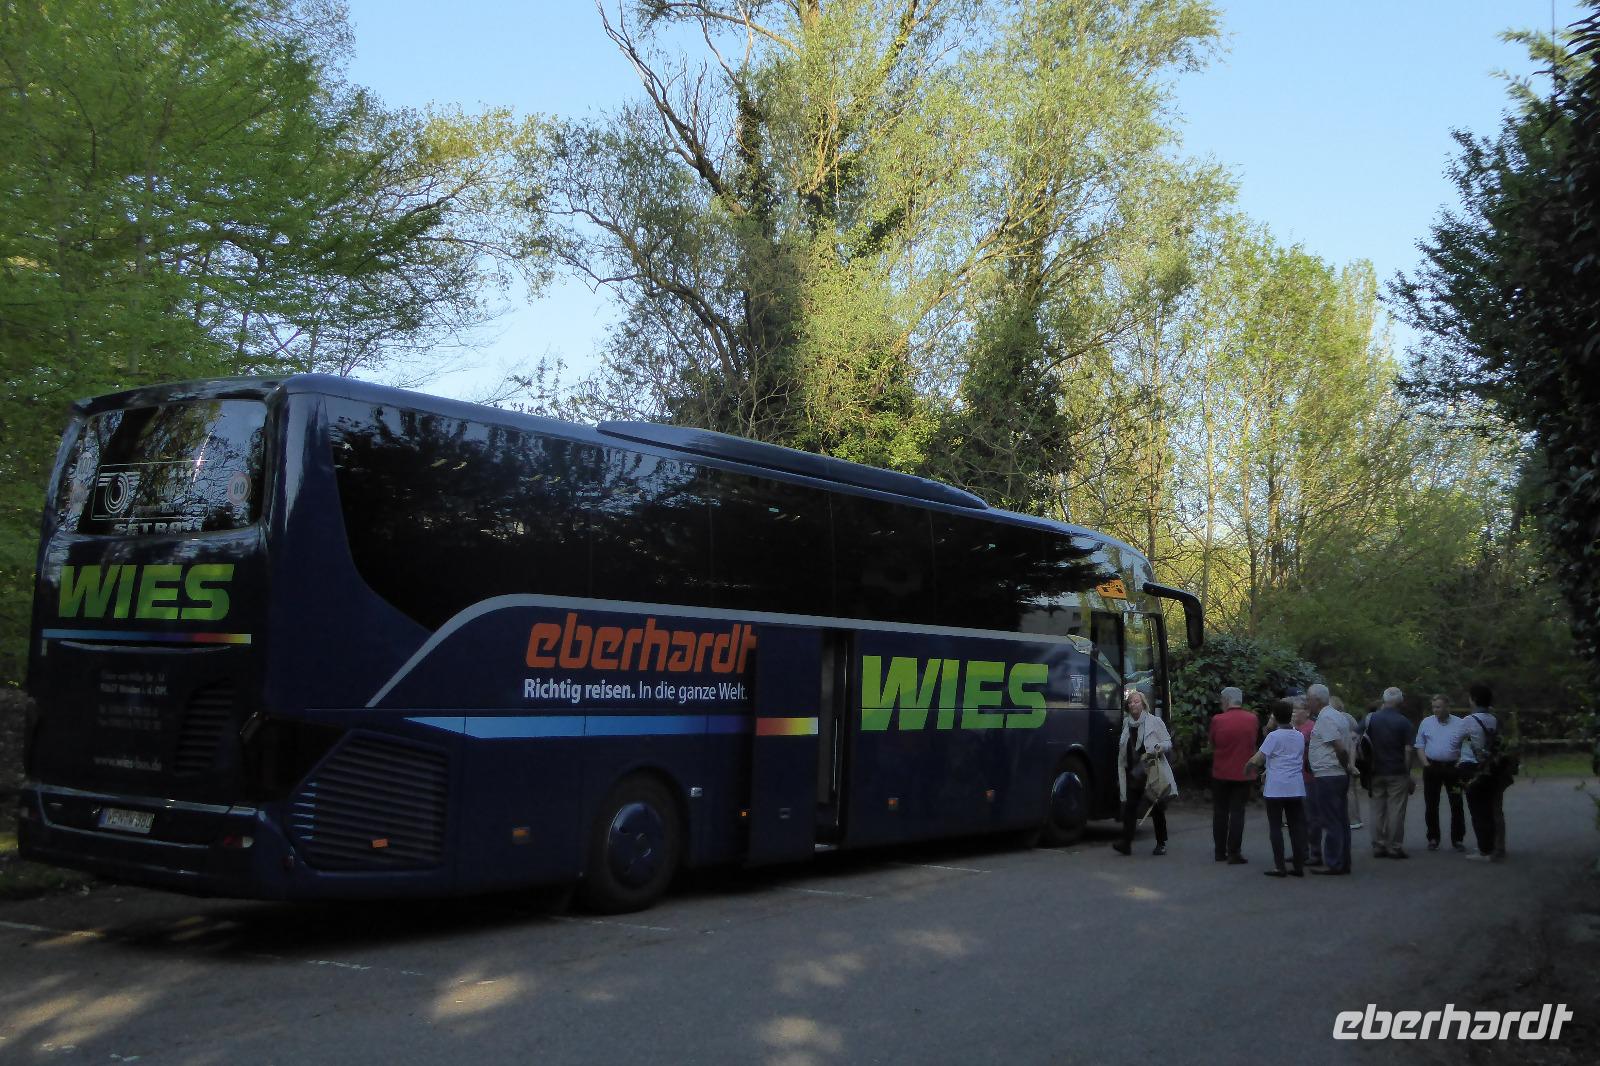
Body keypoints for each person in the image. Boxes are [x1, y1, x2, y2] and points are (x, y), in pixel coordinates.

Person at [1244, 701, 1307, 877]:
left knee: (1275, 826)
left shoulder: (1274, 737)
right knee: (1296, 826)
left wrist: (1247, 767)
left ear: (1275, 716)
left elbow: (1258, 759)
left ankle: (1280, 866)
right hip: (1295, 785)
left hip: (1276, 787)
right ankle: (1298, 864)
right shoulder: (1299, 736)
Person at [1113, 689, 1175, 856]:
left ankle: (1161, 843)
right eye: (1131, 702)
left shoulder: (1154, 721)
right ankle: (1126, 843)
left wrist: (1159, 747)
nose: (1133, 704)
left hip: (1151, 771)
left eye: (1137, 701)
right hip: (1135, 773)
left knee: (1156, 808)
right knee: (1130, 807)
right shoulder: (1127, 723)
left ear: (1143, 704)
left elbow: (1168, 742)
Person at [1363, 687, 1417, 858]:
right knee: (1396, 810)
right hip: (1397, 770)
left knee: (1377, 809)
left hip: (1375, 770)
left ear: (1383, 699)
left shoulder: (1371, 719)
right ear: (1400, 702)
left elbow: (1356, 738)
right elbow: (1408, 750)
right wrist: (1407, 773)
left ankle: (1378, 845)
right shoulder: (1404, 723)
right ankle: (1394, 846)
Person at [1209, 686, 1259, 864]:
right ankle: (1234, 851)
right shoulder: (1252, 719)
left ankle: (1219, 851)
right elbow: (1253, 741)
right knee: (1238, 812)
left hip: (1221, 771)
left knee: (1220, 812)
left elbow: (1213, 742)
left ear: (1226, 700)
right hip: (1243, 772)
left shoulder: (1217, 720)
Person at [1306, 684, 1353, 875]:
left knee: (1331, 819)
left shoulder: (1325, 718)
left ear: (1317, 700)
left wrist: (1343, 764)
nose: (1308, 703)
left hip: (1329, 774)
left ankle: (1334, 862)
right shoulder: (1338, 716)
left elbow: (1340, 747)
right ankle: (1343, 860)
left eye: (1309, 699)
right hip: (1336, 773)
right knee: (1341, 819)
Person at [1461, 682, 1510, 862]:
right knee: (1495, 808)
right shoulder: (1495, 719)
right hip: (1495, 767)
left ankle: (1485, 849)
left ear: (1473, 700)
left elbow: (1456, 742)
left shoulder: (1468, 721)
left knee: (1478, 810)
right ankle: (1498, 846)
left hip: (1475, 767)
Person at [1415, 694, 1468, 851]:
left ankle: (1457, 839)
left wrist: (1460, 762)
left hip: (1453, 768)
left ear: (1447, 707)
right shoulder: (1426, 722)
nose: (1435, 710)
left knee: (1456, 803)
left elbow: (1466, 745)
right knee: (1431, 804)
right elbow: (1420, 745)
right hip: (1432, 767)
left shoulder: (1460, 723)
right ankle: (1433, 837)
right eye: (1434, 707)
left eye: (1438, 707)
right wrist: (1425, 764)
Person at [1291, 696, 1320, 865]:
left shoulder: (1312, 729)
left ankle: (1315, 852)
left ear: (1307, 711)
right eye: (1292, 710)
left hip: (1308, 778)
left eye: (1297, 710)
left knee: (1311, 817)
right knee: (1296, 817)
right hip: (1293, 778)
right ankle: (1301, 850)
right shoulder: (1290, 729)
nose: (1293, 713)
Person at [1333, 696, 1363, 830]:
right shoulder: (1350, 718)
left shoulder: (1331, 719)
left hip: (1337, 757)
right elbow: (1355, 741)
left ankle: (1338, 818)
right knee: (1350, 790)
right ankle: (1355, 819)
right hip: (1351, 755)